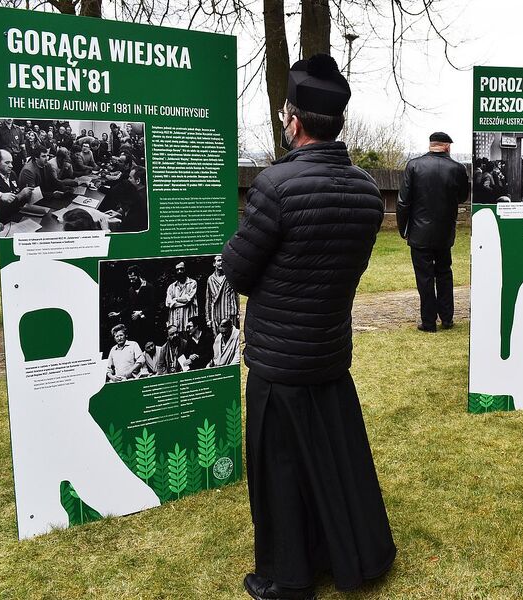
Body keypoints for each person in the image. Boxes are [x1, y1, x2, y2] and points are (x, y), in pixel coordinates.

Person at [221, 53, 395, 600]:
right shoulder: (368, 191)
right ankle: (354, 554)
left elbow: (238, 271)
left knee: (279, 474)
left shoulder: (274, 186)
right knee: (334, 462)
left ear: (293, 121)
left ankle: (286, 578)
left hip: (279, 360)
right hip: (328, 349)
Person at [397, 131, 469, 332]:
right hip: (445, 231)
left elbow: (403, 201)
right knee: (445, 273)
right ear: (447, 146)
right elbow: (463, 196)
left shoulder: (413, 165)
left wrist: (403, 228)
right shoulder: (457, 168)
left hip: (419, 232)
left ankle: (428, 322)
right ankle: (447, 318)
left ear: (431, 145)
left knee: (424, 277)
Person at [0, 149, 34, 225]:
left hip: (19, 215)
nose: (11, 166)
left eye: (11, 162)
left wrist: (26, 195)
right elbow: (0, 211)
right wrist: (20, 196)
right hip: (5, 222)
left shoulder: (12, 174)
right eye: (7, 163)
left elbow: (18, 196)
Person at [205, 255, 239, 329]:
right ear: (214, 263)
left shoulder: (230, 276)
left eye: (223, 261)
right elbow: (208, 300)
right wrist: (208, 319)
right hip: (216, 314)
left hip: (229, 313)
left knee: (232, 336)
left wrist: (238, 312)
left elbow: (236, 295)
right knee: (218, 337)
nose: (221, 263)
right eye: (219, 260)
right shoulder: (210, 279)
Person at [165, 261, 198, 331]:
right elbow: (168, 303)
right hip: (174, 323)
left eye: (181, 269)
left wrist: (175, 299)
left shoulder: (192, 283)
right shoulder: (171, 287)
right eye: (177, 270)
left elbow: (188, 300)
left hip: (188, 322)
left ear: (185, 269)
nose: (179, 271)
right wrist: (183, 301)